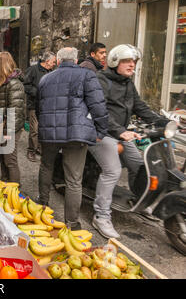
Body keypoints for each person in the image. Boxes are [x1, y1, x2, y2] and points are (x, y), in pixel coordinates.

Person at [89, 44, 170, 239]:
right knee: (113, 170)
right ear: (115, 61)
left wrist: (164, 122)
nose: (132, 65)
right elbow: (99, 111)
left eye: (134, 61)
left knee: (141, 165)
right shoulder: (101, 80)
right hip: (99, 133)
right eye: (127, 61)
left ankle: (141, 201)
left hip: (120, 133)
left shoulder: (127, 83)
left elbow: (140, 107)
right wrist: (120, 131)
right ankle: (101, 216)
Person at [37, 47, 108, 231]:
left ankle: (42, 204)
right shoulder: (86, 75)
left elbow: (39, 107)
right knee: (74, 179)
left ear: (58, 61)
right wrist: (101, 131)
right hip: (76, 134)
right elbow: (98, 105)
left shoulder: (45, 78)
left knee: (46, 166)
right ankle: (72, 222)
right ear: (75, 60)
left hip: (50, 133)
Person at [0, 52, 26, 185]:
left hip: (11, 127)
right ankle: (5, 183)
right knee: (2, 156)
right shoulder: (3, 83)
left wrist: (8, 132)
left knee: (10, 160)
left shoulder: (14, 84)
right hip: (3, 125)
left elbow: (16, 111)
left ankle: (14, 190)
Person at [23, 51, 57, 162]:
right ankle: (31, 150)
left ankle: (39, 148)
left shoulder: (51, 71)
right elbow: (25, 85)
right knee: (34, 129)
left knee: (43, 128)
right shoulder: (33, 70)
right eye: (53, 61)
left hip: (47, 105)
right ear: (47, 61)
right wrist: (38, 92)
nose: (54, 63)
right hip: (34, 105)